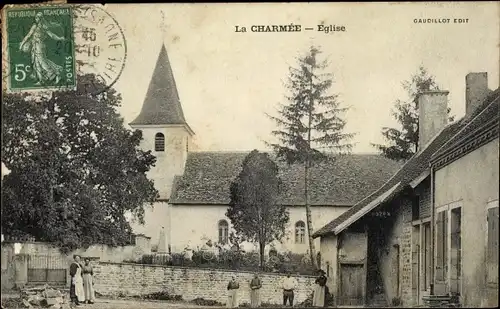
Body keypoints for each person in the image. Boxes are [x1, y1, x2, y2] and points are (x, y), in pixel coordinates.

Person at [19, 12, 65, 85]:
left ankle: (55, 73)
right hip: (34, 47)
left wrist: (59, 38)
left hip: (40, 46)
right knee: (36, 63)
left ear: (40, 18)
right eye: (36, 18)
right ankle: (41, 80)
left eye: (38, 18)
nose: (36, 19)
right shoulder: (35, 26)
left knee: (42, 62)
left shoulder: (44, 27)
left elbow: (52, 35)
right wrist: (22, 44)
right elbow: (28, 36)